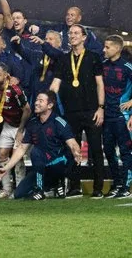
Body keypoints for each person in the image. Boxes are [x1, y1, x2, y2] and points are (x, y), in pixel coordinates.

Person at [0, 91, 82, 200]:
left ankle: (43, 189)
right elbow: (22, 148)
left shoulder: (59, 122)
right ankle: (52, 188)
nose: (36, 103)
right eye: (36, 100)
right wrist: (6, 168)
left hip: (59, 163)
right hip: (42, 167)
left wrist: (76, 152)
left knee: (35, 152)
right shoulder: (32, 123)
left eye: (41, 101)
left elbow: (72, 143)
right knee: (18, 194)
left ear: (50, 105)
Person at [49, 24, 105, 198]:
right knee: (72, 149)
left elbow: (99, 84)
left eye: (75, 33)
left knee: (96, 150)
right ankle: (74, 187)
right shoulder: (64, 60)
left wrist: (101, 108)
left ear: (83, 37)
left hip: (91, 111)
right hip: (71, 112)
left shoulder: (93, 57)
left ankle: (98, 188)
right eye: (70, 33)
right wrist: (47, 99)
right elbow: (56, 83)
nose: (72, 36)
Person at [0, 62, 31, 198]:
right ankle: (7, 189)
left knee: (17, 158)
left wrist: (20, 130)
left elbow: (27, 109)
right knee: (1, 155)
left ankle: (20, 189)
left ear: (6, 76)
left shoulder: (15, 90)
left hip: (20, 126)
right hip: (7, 125)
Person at [100, 35, 132, 198]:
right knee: (109, 151)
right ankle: (117, 183)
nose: (104, 50)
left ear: (117, 48)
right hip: (107, 116)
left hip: (122, 117)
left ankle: (126, 186)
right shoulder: (103, 66)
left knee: (126, 151)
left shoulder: (128, 67)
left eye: (107, 47)